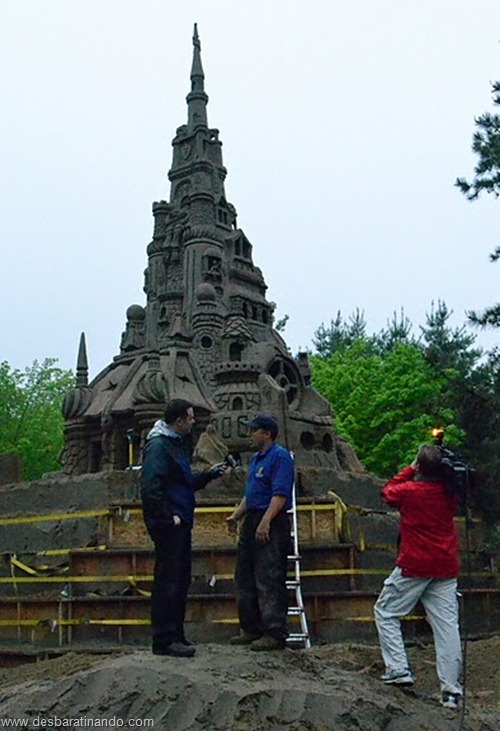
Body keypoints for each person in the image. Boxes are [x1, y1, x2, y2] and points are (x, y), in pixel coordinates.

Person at [374, 444, 463, 709]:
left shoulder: (409, 491)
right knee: (447, 627)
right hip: (445, 566)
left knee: (386, 612)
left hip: (414, 564)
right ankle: (451, 692)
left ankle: (398, 669)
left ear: (420, 467)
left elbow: (387, 491)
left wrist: (409, 469)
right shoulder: (450, 494)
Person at [141, 398, 227, 657]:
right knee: (168, 581)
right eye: (190, 417)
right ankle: (164, 640)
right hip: (171, 525)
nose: (193, 421)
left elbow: (183, 481)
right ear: (178, 420)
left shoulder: (175, 444)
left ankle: (176, 634)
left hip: (181, 521)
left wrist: (209, 475)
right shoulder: (158, 447)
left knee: (180, 580)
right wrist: (167, 518)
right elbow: (151, 487)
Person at [227, 414, 294, 651]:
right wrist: (237, 515)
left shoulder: (280, 457)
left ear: (266, 433)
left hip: (271, 520)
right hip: (253, 516)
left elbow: (280, 494)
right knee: (244, 575)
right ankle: (251, 627)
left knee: (269, 575)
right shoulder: (256, 459)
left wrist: (265, 522)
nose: (250, 435)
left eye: (254, 431)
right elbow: (251, 494)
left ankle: (274, 631)